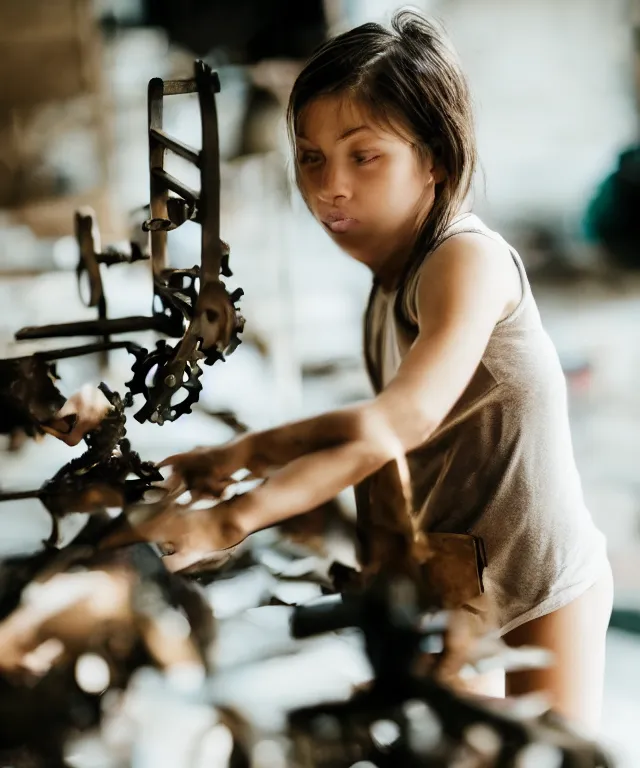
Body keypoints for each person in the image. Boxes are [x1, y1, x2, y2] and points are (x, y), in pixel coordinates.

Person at [124, 12, 613, 731]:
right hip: (461, 575)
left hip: (543, 584)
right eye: (311, 158)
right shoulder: (389, 282)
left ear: (436, 158)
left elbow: (397, 422)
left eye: (364, 156)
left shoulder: (464, 261)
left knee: (549, 749)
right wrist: (237, 460)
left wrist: (235, 509)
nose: (331, 187)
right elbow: (390, 450)